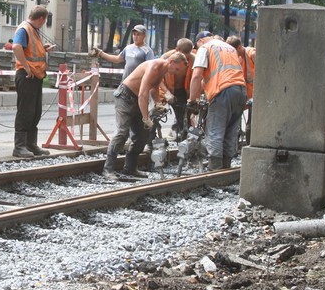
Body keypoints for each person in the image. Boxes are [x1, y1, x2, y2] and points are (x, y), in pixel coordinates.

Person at [103, 52, 188, 180]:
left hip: (136, 99)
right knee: (122, 133)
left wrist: (158, 102)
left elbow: (153, 88)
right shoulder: (154, 67)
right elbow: (143, 93)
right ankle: (108, 170)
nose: (177, 73)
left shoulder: (162, 70)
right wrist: (146, 118)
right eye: (176, 69)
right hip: (125, 97)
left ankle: (130, 168)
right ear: (170, 62)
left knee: (142, 135)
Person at [188, 31, 247, 171]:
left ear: (200, 41)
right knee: (231, 130)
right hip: (240, 90)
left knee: (215, 129)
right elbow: (215, 74)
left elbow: (196, 76)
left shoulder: (205, 48)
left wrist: (192, 100)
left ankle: (215, 168)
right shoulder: (229, 47)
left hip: (223, 91)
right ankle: (225, 166)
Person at [11, 6, 53, 158]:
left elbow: (29, 50)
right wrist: (27, 68)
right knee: (25, 111)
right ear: (41, 19)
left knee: (34, 112)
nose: (44, 23)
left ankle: (30, 144)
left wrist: (44, 48)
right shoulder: (24, 29)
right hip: (27, 76)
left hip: (35, 76)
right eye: (45, 20)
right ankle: (19, 146)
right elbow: (16, 47)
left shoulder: (32, 30)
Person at [158, 38, 196, 138]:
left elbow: (197, 78)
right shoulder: (165, 58)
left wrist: (194, 96)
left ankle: (182, 137)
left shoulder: (193, 60)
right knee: (155, 114)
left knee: (183, 117)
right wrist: (167, 93)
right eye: (183, 54)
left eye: (188, 55)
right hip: (165, 89)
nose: (186, 57)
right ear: (176, 50)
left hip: (182, 91)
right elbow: (158, 80)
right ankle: (151, 140)